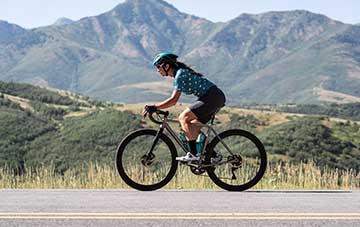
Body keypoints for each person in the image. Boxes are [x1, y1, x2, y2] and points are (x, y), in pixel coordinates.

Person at [143, 52, 226, 162]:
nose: (157, 70)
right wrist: (157, 108)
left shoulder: (180, 75)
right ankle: (214, 155)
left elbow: (173, 101)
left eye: (158, 67)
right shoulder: (179, 74)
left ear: (166, 66)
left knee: (183, 118)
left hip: (212, 96)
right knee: (192, 127)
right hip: (213, 97)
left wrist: (154, 107)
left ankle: (192, 154)